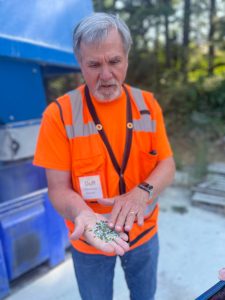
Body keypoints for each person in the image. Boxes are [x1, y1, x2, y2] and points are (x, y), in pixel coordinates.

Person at [33, 12, 175, 300]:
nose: (107, 75)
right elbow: (58, 188)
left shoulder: (147, 105)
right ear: (80, 64)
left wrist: (141, 193)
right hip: (90, 241)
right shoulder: (58, 115)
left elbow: (167, 164)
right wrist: (81, 212)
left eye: (114, 61)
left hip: (144, 233)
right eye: (94, 64)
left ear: (127, 57)